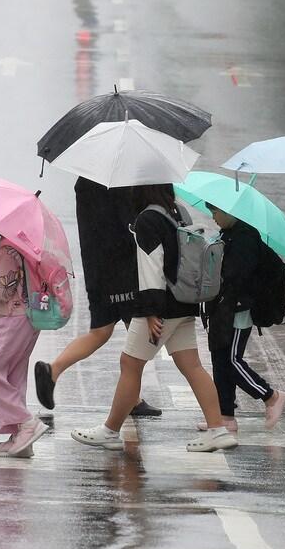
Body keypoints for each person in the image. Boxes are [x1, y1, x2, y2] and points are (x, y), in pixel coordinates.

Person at [72, 185, 238, 453]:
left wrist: (150, 311)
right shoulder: (178, 212)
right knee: (192, 366)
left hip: (160, 306)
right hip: (184, 302)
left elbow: (152, 267)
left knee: (130, 363)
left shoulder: (147, 219)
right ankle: (217, 429)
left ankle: (110, 431)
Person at [35, 178, 162, 419]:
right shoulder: (119, 184)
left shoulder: (84, 182)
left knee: (101, 332)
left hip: (97, 268)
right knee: (139, 334)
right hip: (122, 269)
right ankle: (131, 399)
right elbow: (130, 225)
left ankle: (53, 370)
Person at [201, 204, 285, 433]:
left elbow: (237, 276)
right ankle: (226, 417)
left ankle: (271, 396)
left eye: (216, 212)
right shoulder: (228, 235)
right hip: (224, 308)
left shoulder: (246, 238)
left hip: (239, 310)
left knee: (231, 360)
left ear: (231, 212)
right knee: (220, 360)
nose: (214, 217)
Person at [0, 221, 49, 457]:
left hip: (13, 318)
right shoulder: (20, 242)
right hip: (30, 316)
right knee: (13, 375)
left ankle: (26, 423)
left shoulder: (6, 249)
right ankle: (21, 440)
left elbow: (0, 290)